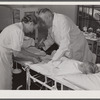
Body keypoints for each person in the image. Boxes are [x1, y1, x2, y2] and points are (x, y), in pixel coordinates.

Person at [0, 15, 42, 89]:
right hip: (2, 57)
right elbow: (16, 54)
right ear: (30, 23)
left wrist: (34, 56)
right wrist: (31, 59)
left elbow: (20, 49)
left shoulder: (16, 27)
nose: (32, 31)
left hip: (4, 55)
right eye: (34, 28)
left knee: (6, 82)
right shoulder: (18, 31)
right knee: (4, 84)